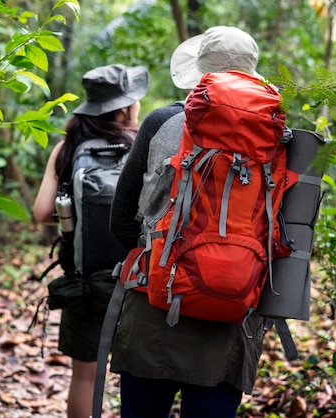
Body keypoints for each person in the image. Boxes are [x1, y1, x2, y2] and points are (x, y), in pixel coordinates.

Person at [109, 26, 267, 417]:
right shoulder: (275, 137)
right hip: (233, 311)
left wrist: (159, 256)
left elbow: (120, 219)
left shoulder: (161, 122)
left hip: (153, 304)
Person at [33, 63, 149, 418]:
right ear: (124, 107)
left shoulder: (69, 148)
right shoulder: (142, 145)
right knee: (139, 375)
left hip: (85, 283)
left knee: (84, 376)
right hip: (137, 281)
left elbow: (40, 212)